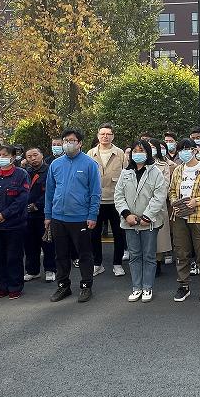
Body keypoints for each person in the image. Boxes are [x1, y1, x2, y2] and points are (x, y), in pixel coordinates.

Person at [45, 127, 101, 304]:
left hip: (80, 218)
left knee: (84, 254)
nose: (68, 144)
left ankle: (86, 285)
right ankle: (63, 285)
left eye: (72, 141)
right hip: (58, 217)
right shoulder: (55, 164)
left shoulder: (89, 164)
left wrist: (92, 215)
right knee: (60, 254)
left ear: (80, 143)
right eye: (65, 141)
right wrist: (48, 215)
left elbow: (95, 193)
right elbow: (50, 192)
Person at [114, 140, 168, 302]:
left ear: (148, 153)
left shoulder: (155, 172)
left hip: (149, 222)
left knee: (149, 256)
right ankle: (136, 287)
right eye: (135, 151)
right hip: (129, 221)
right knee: (134, 256)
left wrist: (147, 216)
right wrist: (126, 214)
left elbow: (159, 196)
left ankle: (147, 287)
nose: (138, 154)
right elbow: (119, 195)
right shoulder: (125, 172)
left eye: (142, 150)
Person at [169, 139, 200, 303]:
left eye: (187, 149)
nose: (183, 152)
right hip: (180, 217)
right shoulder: (178, 170)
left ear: (194, 150)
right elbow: (172, 191)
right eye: (181, 149)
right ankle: (183, 285)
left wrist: (197, 201)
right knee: (181, 253)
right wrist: (175, 202)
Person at [0, 145, 30, 299]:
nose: (1, 157)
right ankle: (2, 287)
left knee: (13, 257)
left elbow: (22, 198)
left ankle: (15, 287)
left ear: (13, 157)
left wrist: (4, 214)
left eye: (4, 155)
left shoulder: (21, 174)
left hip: (14, 224)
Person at [87, 124, 127, 277]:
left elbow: (127, 176)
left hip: (116, 201)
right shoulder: (91, 154)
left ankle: (117, 264)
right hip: (96, 201)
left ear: (113, 136)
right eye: (102, 134)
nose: (105, 136)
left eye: (108, 134)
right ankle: (97, 263)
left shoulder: (120, 154)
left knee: (119, 233)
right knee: (94, 234)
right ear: (98, 136)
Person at [22, 147, 56, 283]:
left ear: (42, 155)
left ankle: (50, 269)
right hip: (27, 215)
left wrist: (37, 205)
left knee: (47, 243)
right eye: (29, 157)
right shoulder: (25, 172)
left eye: (35, 155)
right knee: (30, 244)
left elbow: (51, 192)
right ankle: (32, 271)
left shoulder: (49, 171)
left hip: (44, 214)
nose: (33, 159)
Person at [149, 138, 175, 273]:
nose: (151, 149)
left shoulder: (164, 165)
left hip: (158, 204)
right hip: (141, 204)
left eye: (153, 147)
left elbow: (165, 185)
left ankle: (157, 262)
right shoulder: (138, 164)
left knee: (159, 237)